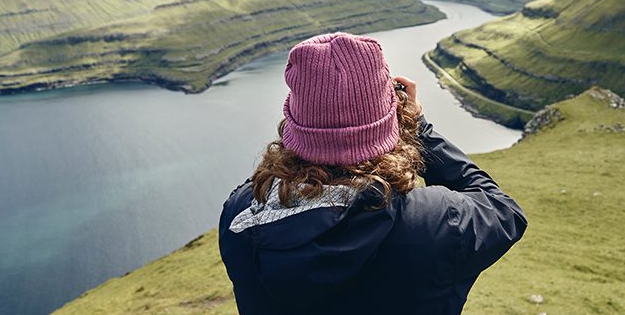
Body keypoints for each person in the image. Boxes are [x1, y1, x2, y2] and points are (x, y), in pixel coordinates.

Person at [219, 32, 527, 315]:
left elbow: (275, 176)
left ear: (294, 125)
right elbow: (504, 210)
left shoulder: (242, 215)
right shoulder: (436, 222)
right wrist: (420, 128)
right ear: (393, 119)